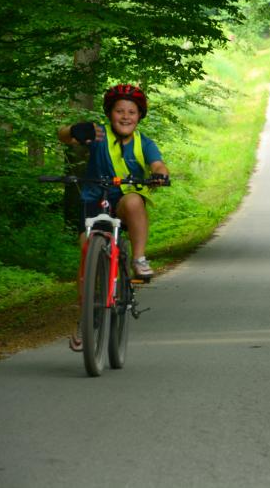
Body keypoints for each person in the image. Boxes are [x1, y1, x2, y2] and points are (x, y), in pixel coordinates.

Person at [58, 84, 169, 349]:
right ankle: (87, 318)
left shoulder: (144, 143)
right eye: (120, 111)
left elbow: (157, 164)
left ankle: (139, 259)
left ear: (139, 116)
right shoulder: (98, 134)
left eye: (132, 111)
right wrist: (74, 131)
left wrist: (160, 174)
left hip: (124, 200)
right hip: (94, 198)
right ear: (110, 113)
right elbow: (64, 136)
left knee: (134, 201)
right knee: (86, 250)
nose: (125, 116)